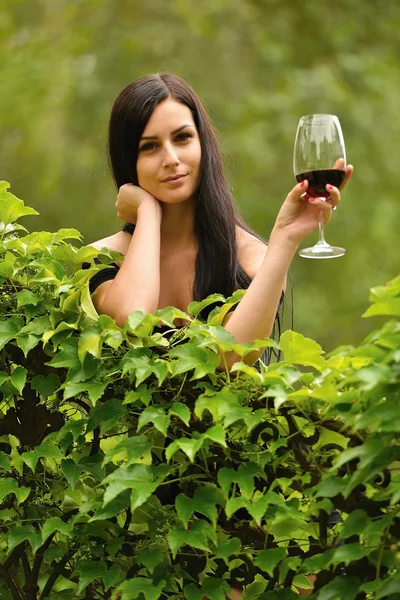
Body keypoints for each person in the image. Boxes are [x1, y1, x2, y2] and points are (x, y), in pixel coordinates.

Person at [87, 73, 352, 597]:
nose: (171, 158)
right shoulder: (100, 260)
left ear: (203, 143)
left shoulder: (246, 254)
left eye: (182, 138)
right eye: (149, 147)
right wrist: (147, 215)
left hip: (243, 509)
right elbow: (133, 319)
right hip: (128, 519)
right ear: (128, 163)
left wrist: (284, 241)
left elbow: (233, 362)